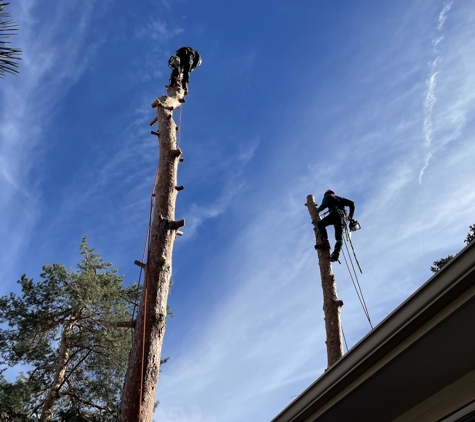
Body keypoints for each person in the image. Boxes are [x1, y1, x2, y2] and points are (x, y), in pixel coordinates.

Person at [313, 189, 355, 262]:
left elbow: (324, 205)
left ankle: (325, 242)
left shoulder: (328, 196)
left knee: (320, 224)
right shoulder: (339, 198)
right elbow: (352, 203)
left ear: (326, 193)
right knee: (339, 238)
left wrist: (317, 211)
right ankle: (336, 254)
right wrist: (350, 216)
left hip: (335, 214)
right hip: (342, 219)